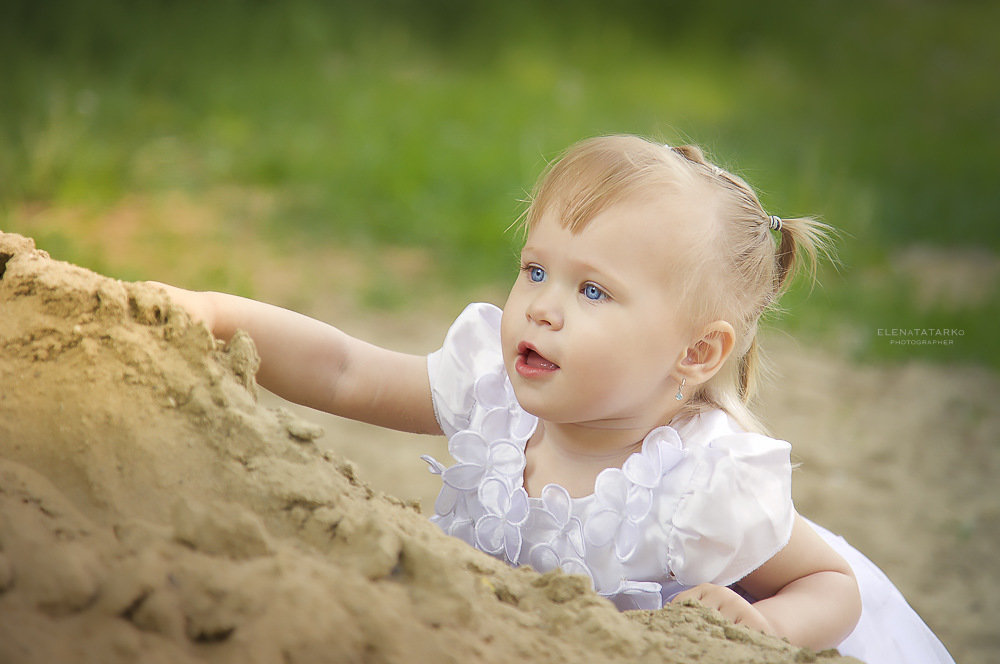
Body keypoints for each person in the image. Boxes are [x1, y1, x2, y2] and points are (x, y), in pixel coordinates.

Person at [156, 135, 955, 662]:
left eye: (595, 291)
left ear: (695, 352)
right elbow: (344, 371)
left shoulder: (697, 484)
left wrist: (769, 627)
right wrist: (219, 314)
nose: (542, 305)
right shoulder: (494, 398)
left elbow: (835, 584)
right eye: (536, 270)